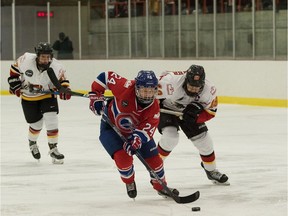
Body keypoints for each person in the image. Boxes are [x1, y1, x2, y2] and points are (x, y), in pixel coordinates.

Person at [88, 70, 179, 199]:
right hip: (111, 128)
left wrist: (137, 139)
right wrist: (96, 95)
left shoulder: (154, 109)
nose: (147, 95)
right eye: (144, 90)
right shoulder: (125, 87)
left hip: (135, 133)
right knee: (123, 160)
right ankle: (129, 181)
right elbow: (105, 76)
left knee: (155, 162)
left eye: (151, 91)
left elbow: (146, 130)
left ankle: (161, 187)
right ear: (136, 88)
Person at [157, 65, 230, 185]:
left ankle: (211, 171)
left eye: (197, 88)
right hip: (166, 109)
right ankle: (155, 168)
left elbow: (210, 112)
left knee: (205, 142)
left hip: (189, 115)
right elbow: (149, 95)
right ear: (186, 80)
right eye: (191, 86)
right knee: (170, 138)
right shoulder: (170, 81)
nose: (193, 90)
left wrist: (196, 117)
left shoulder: (209, 90)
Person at [7, 42, 72, 164]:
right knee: (36, 125)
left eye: (48, 57)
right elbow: (14, 69)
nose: (45, 60)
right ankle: (32, 143)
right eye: (43, 57)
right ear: (37, 56)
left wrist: (64, 90)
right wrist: (14, 83)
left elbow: (63, 81)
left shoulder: (57, 66)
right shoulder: (26, 60)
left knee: (51, 117)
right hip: (28, 96)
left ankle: (53, 148)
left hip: (47, 95)